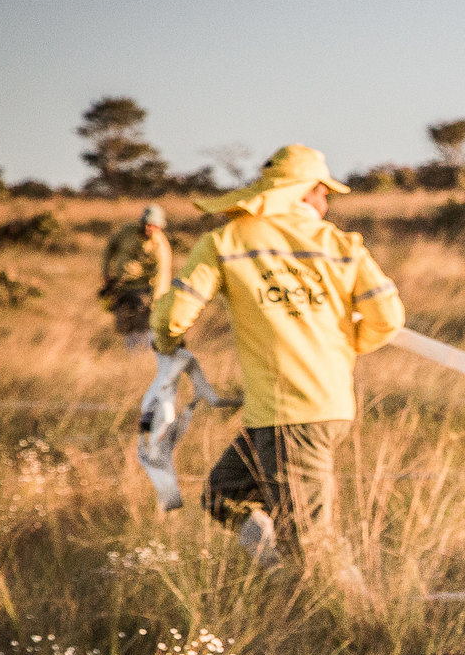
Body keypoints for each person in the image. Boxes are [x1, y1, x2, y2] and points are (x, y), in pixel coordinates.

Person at [151, 145, 404, 567]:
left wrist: (167, 344)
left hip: (290, 415)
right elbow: (388, 317)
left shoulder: (226, 241)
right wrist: (343, 347)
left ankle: (346, 618)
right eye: (323, 192)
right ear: (305, 193)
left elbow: (173, 314)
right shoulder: (339, 244)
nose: (326, 202)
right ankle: (279, 572)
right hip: (324, 407)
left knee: (309, 546)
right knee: (223, 493)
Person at [101, 204, 173, 350]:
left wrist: (155, 302)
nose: (148, 228)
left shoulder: (161, 246)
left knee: (144, 326)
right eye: (146, 224)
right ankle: (132, 357)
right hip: (122, 288)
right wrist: (106, 273)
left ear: (159, 227)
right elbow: (109, 249)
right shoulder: (126, 232)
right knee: (125, 325)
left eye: (153, 226)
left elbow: (162, 275)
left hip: (144, 291)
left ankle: (146, 357)